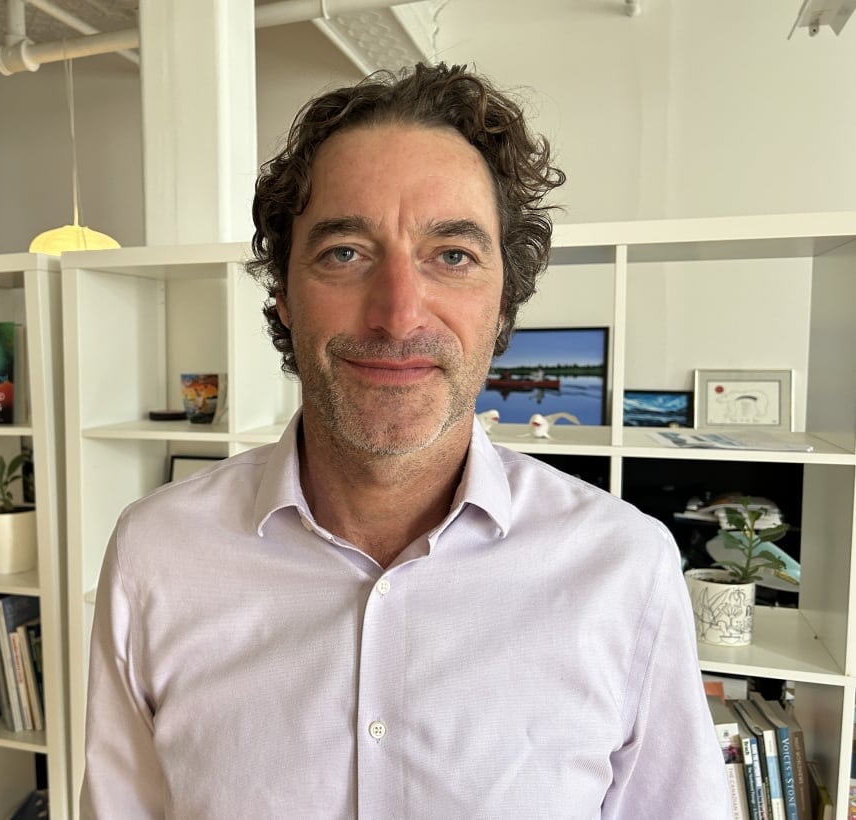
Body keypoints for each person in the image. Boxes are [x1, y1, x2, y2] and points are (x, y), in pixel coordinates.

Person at [81, 63, 729, 818]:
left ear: (503, 303)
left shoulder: (625, 570)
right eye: (344, 252)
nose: (397, 314)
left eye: (451, 255)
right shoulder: (156, 556)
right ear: (284, 296)